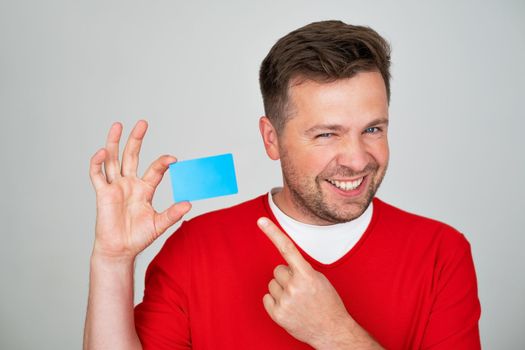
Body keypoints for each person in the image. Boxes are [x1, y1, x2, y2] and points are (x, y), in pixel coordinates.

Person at [83, 20, 481, 349]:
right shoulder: (195, 248)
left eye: (373, 129)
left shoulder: (441, 253)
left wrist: (335, 334)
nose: (358, 159)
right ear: (271, 139)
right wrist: (113, 261)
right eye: (327, 134)